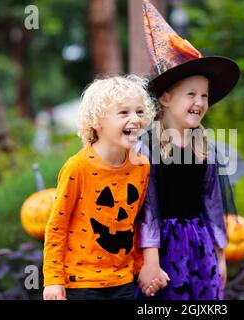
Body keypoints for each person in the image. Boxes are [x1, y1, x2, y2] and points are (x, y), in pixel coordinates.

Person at [136, 0, 240, 300]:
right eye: (191, 94)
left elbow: (213, 204)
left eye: (204, 96)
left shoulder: (205, 149)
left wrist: (220, 256)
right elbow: (148, 208)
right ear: (165, 98)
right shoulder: (148, 148)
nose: (200, 102)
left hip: (200, 246)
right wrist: (151, 261)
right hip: (162, 250)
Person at [42, 74, 167, 300]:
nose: (136, 119)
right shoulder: (77, 168)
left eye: (139, 112)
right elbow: (57, 227)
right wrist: (53, 281)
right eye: (123, 112)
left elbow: (132, 221)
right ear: (97, 121)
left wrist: (142, 267)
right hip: (81, 283)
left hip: (123, 281)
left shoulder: (141, 166)